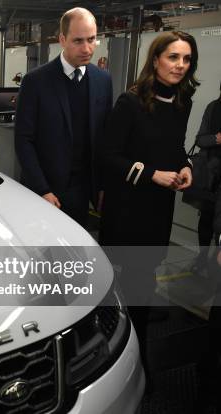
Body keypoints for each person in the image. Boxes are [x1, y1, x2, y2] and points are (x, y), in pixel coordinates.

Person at [99, 30, 199, 381]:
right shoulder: (130, 102)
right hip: (128, 208)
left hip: (158, 209)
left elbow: (175, 146)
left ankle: (135, 357)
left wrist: (186, 165)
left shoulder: (182, 103)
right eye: (173, 57)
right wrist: (152, 174)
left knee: (144, 283)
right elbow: (108, 156)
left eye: (186, 59)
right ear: (156, 59)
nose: (180, 65)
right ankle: (123, 362)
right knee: (124, 287)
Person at [14, 7, 113, 227]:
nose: (87, 48)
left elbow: (104, 138)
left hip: (82, 190)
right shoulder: (36, 81)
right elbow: (24, 140)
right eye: (78, 41)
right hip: (44, 190)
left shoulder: (103, 80)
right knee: (41, 255)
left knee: (74, 253)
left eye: (92, 39)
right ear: (62, 39)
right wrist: (42, 190)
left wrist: (102, 185)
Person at [192, 83, 221, 274]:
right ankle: (202, 258)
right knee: (207, 220)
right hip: (212, 176)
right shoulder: (214, 107)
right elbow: (200, 139)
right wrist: (217, 139)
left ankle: (215, 263)